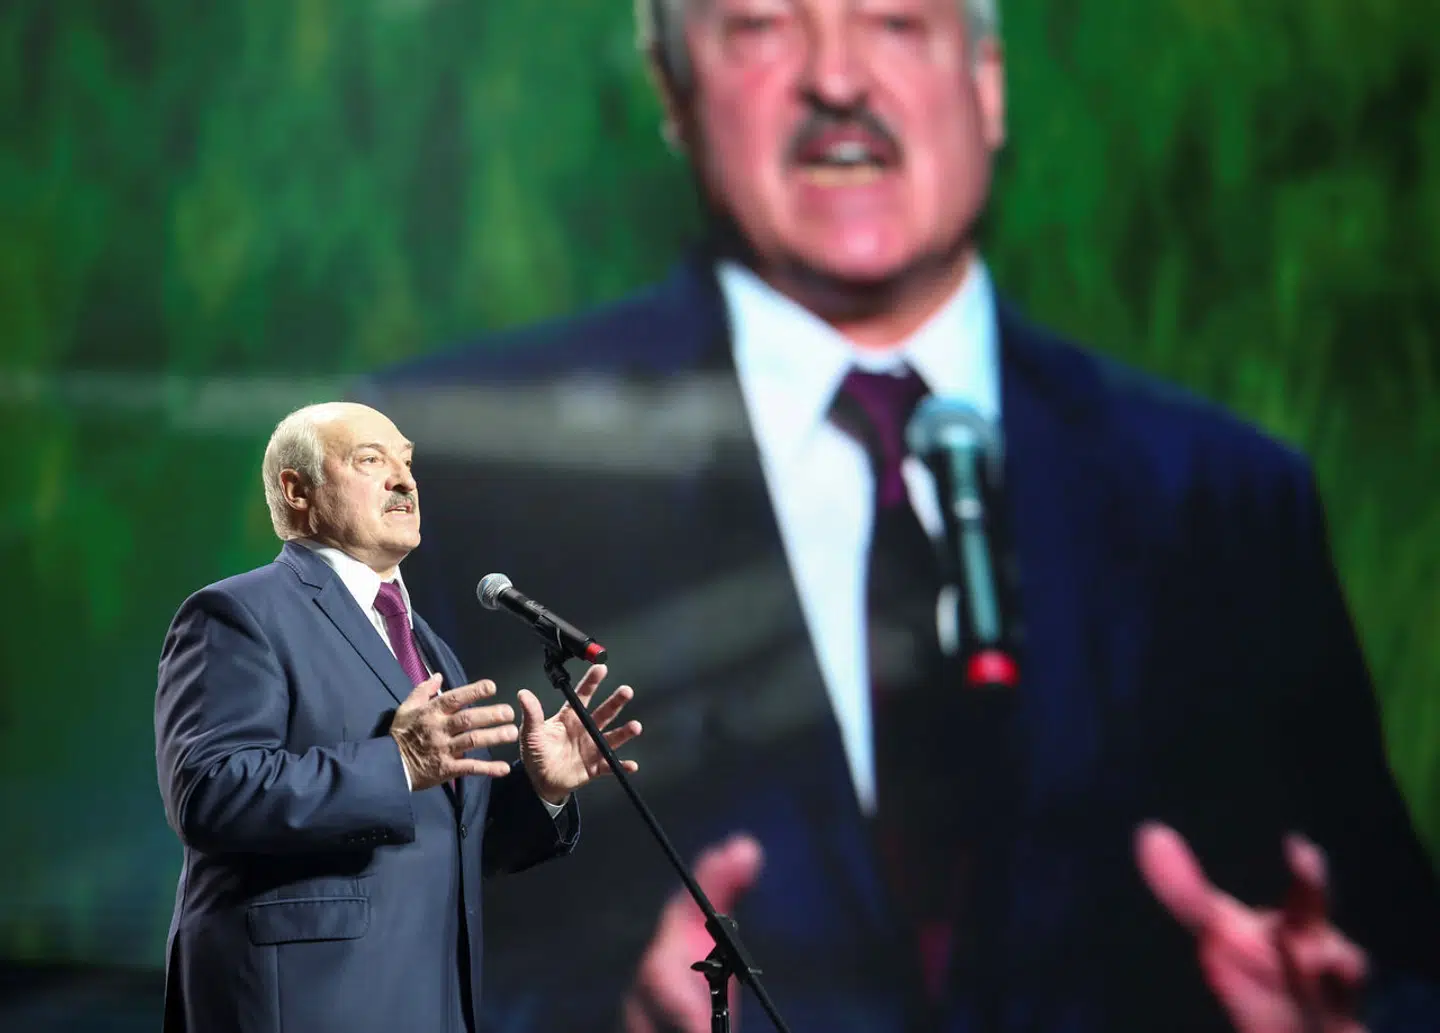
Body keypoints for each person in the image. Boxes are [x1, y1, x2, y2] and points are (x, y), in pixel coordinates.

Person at [355, 1, 1440, 1031]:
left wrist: (1347, 1018)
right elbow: (327, 961)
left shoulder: (1223, 497)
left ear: (988, 81)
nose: (837, 77)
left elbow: (1399, 962)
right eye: (761, 23)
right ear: (673, 91)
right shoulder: (458, 476)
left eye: (897, 19)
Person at [152, 401, 643, 1033]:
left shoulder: (427, 645)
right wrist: (398, 763)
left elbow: (443, 841)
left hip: (431, 1004)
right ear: (297, 490)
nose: (405, 480)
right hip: (304, 1005)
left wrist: (540, 792)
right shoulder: (239, 614)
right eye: (370, 460)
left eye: (408, 463)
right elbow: (210, 792)